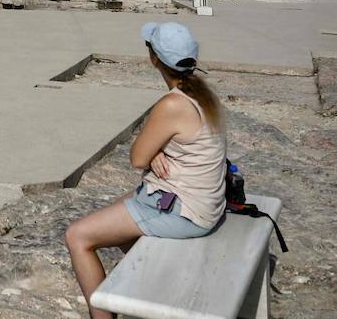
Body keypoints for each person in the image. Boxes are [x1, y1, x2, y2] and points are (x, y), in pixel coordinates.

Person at [65, 22, 226, 319]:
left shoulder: (172, 104)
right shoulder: (203, 93)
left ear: (155, 59)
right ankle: (151, 288)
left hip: (186, 211)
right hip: (204, 201)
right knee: (118, 214)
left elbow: (137, 157)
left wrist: (151, 154)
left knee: (78, 236)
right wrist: (158, 153)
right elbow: (162, 150)